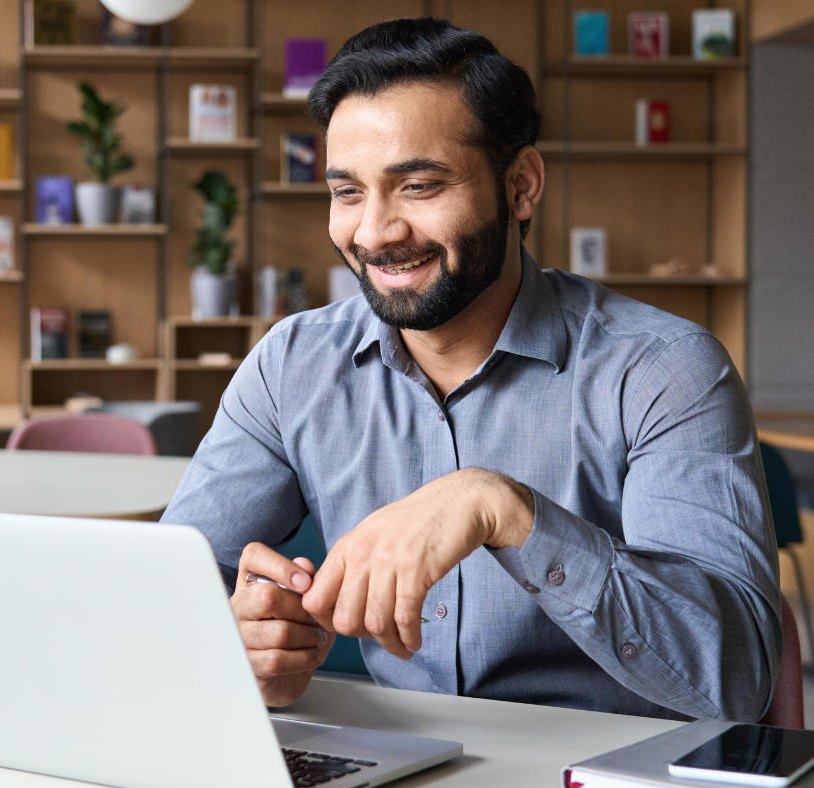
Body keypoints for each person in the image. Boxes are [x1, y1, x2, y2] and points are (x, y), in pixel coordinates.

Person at [161, 17, 781, 722]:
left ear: (520, 186)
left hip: (604, 766)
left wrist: (504, 509)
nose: (374, 233)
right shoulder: (293, 365)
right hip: (396, 757)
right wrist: (233, 643)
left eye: (419, 185)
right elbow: (165, 595)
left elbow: (736, 679)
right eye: (347, 192)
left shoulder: (663, 369)